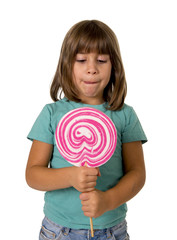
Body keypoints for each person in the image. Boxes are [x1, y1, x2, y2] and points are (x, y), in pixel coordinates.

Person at [26, 20, 147, 240]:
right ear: (66, 64)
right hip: (59, 231)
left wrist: (108, 200)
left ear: (114, 66)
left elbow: (137, 174)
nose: (91, 68)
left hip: (112, 230)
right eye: (81, 59)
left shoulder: (124, 115)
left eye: (101, 60)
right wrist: (70, 176)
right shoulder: (52, 114)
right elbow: (33, 175)